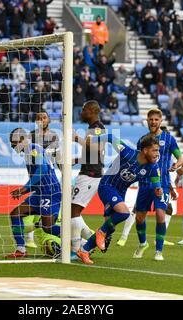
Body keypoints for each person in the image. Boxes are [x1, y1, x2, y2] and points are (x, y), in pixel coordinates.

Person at [76, 134, 163, 265]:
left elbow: (157, 184)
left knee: (111, 228)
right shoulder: (127, 152)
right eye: (155, 150)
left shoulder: (152, 167)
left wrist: (158, 190)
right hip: (107, 186)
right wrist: (93, 139)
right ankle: (100, 232)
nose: (157, 154)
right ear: (145, 150)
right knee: (124, 213)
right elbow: (110, 137)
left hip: (121, 192)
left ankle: (84, 250)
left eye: (158, 150)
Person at [117, 109, 183, 250]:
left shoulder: (169, 139)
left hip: (163, 183)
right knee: (140, 217)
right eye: (151, 119)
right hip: (145, 183)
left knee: (161, 214)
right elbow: (138, 160)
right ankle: (143, 244)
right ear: (147, 120)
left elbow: (181, 156)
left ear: (160, 121)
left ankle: (159, 251)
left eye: (156, 119)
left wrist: (177, 164)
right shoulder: (142, 141)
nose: (153, 122)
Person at [6, 128, 62, 258]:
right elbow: (38, 177)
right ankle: (21, 249)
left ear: (22, 140)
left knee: (47, 227)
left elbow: (42, 169)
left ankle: (78, 241)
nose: (12, 145)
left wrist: (25, 188)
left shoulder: (33, 149)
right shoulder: (29, 152)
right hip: (39, 192)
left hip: (50, 192)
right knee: (16, 213)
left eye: (13, 142)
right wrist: (24, 190)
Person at [71, 100, 106, 260]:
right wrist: (76, 160)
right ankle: (90, 238)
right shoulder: (93, 128)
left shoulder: (97, 128)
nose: (81, 112)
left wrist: (76, 138)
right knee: (72, 211)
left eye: (84, 109)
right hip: (88, 172)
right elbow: (92, 154)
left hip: (90, 175)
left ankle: (79, 248)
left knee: (73, 211)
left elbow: (97, 149)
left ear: (91, 111)